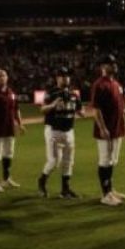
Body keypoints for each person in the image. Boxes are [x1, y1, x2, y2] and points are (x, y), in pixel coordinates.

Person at [38, 67, 83, 199]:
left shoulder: (74, 94)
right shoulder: (50, 92)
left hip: (69, 131)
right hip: (53, 130)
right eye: (62, 76)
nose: (65, 78)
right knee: (53, 161)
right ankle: (41, 182)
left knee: (69, 161)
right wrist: (53, 104)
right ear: (57, 78)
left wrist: (81, 111)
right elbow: (42, 110)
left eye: (67, 75)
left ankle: (65, 189)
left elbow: (81, 110)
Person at [91, 54, 125, 206]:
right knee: (105, 160)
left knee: (113, 160)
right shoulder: (99, 84)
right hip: (106, 129)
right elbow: (96, 109)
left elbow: (119, 106)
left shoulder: (116, 83)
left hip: (116, 127)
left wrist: (124, 122)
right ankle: (105, 194)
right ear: (103, 67)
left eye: (114, 63)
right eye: (110, 63)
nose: (114, 65)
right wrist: (102, 127)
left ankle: (111, 190)